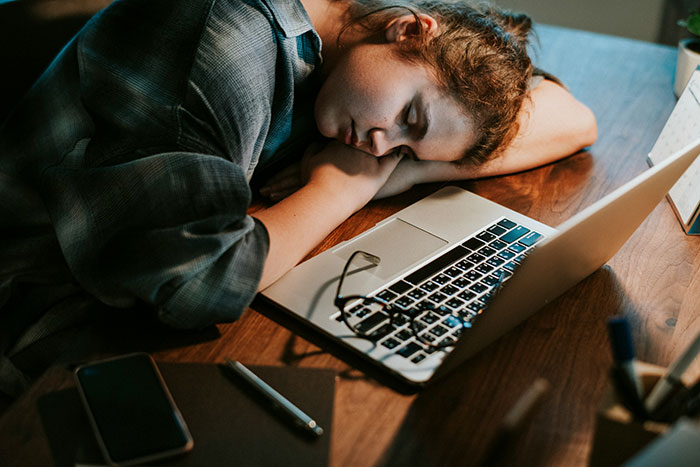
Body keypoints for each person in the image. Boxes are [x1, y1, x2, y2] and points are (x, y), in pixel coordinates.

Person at [0, 0, 596, 397]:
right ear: (412, 29)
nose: (380, 144)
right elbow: (198, 281)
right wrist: (346, 188)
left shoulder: (364, 36)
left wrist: (407, 176)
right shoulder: (222, 46)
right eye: (408, 116)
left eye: (408, 147)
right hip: (40, 310)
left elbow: (574, 120)